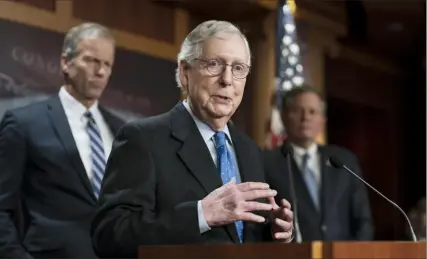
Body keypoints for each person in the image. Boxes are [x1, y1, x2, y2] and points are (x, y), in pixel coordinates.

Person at [91, 20, 294, 258]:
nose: (227, 80)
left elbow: (239, 240)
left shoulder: (249, 150)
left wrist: (276, 233)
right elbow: (110, 235)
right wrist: (201, 215)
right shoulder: (142, 138)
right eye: (214, 64)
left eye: (238, 68)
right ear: (185, 73)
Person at [0, 22, 125, 258]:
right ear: (66, 63)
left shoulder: (123, 130)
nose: (100, 72)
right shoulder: (24, 123)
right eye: (92, 61)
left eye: (107, 64)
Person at [264, 85, 373, 241]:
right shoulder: (268, 162)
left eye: (312, 112)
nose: (305, 117)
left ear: (322, 120)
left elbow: (363, 222)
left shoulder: (343, 160)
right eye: (297, 110)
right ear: (283, 116)